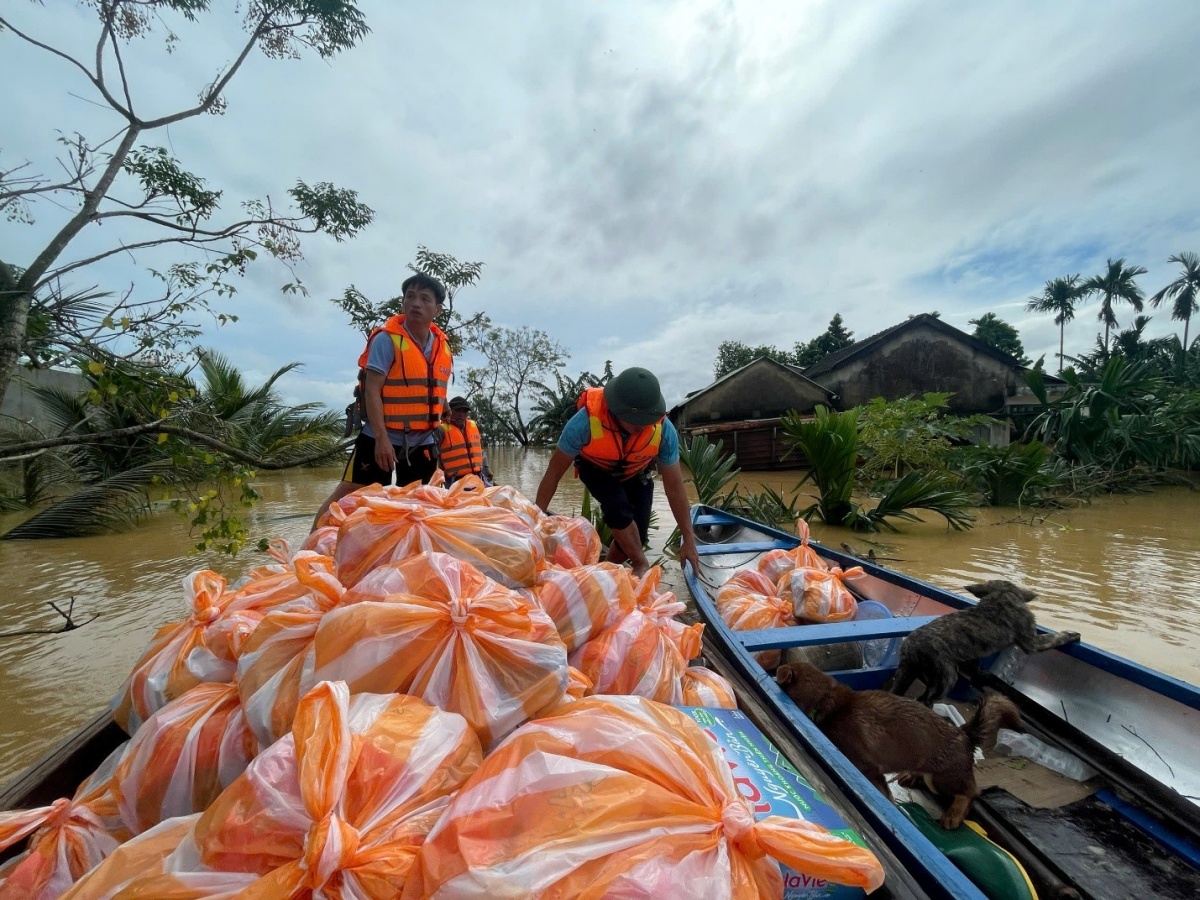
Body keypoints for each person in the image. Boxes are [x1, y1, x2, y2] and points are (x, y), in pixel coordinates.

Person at [311, 273, 452, 529]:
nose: (416, 303)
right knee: (351, 492)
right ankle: (311, 544)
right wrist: (381, 439)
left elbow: (434, 385)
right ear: (403, 302)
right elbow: (372, 390)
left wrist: (445, 407)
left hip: (423, 440)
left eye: (424, 299)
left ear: (437, 309)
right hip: (381, 436)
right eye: (410, 297)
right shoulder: (387, 340)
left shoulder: (442, 346)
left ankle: (406, 550)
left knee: (420, 503)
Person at [535, 366, 700, 577]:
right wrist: (535, 519)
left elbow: (675, 487)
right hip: (596, 468)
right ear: (616, 411)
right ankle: (641, 564)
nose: (642, 427)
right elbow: (554, 472)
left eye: (647, 421)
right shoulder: (583, 423)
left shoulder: (664, 431)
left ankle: (605, 569)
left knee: (638, 536)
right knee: (617, 507)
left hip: (636, 472)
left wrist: (689, 539)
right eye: (636, 423)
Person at [438, 395, 493, 486]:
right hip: (454, 481)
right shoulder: (441, 430)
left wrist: (487, 470)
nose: (461, 414)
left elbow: (480, 452)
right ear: (449, 412)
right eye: (457, 410)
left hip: (477, 477)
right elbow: (433, 457)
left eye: (464, 411)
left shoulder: (473, 426)